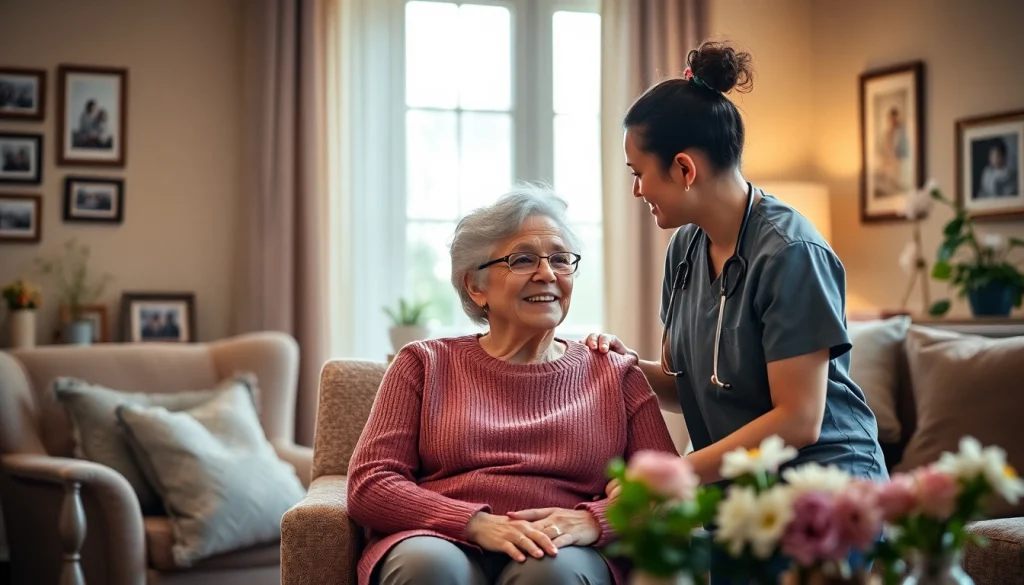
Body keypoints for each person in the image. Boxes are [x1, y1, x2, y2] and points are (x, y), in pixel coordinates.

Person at [584, 40, 889, 584]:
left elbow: (798, 419)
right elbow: (688, 384)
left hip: (823, 499)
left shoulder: (791, 252)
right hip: (741, 504)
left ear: (683, 168)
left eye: (638, 172)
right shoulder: (684, 250)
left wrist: (673, 477)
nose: (635, 190)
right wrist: (621, 366)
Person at [346, 186, 680, 585]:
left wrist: (595, 520)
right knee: (428, 567)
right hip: (439, 539)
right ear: (476, 286)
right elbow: (370, 483)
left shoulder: (614, 372)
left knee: (551, 574)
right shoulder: (424, 363)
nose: (547, 274)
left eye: (560, 259)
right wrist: (474, 523)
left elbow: (672, 490)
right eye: (522, 260)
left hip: (563, 549)